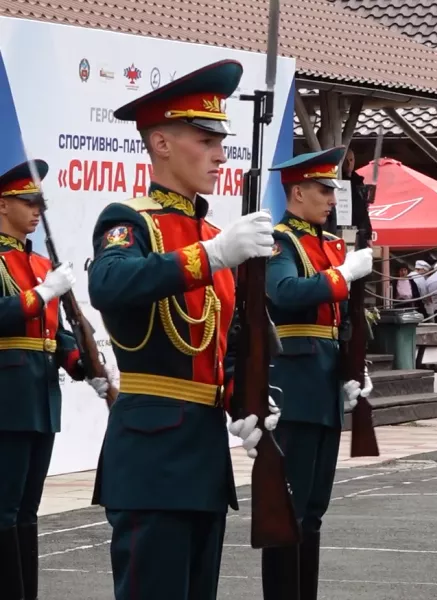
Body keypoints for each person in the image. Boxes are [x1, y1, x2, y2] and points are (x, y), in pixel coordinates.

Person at [87, 59, 281, 600]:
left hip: (201, 453)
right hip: (152, 455)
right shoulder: (130, 220)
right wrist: (212, 255)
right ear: (162, 143)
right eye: (205, 138)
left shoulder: (217, 233)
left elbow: (230, 342)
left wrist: (247, 400)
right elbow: (110, 283)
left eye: (221, 139)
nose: (221, 153)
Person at [263, 146, 375, 600]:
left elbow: (344, 319)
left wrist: (354, 366)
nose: (332, 198)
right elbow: (283, 292)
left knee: (313, 510)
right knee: (287, 509)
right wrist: (342, 275)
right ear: (297, 192)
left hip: (326, 382)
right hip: (295, 385)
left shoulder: (329, 244)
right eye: (324, 189)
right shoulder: (280, 242)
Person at [0, 160, 112, 600]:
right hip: (7, 399)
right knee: (4, 510)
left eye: (40, 203)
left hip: (41, 399)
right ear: (3, 203)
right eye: (29, 202)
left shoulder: (40, 261)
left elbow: (56, 333)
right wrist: (42, 293)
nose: (36, 210)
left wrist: (85, 367)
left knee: (27, 510)